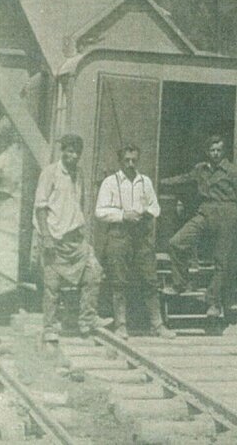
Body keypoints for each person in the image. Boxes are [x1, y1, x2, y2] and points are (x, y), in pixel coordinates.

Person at [34, 134, 111, 344]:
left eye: (77, 152)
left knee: (94, 274)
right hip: (54, 239)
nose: (73, 155)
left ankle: (87, 319)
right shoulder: (50, 173)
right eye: (69, 151)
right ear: (63, 151)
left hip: (76, 239)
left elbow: (80, 204)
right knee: (51, 287)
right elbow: (40, 207)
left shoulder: (79, 174)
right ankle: (49, 327)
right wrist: (46, 236)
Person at [164, 135, 237, 318]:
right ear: (207, 152)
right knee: (176, 242)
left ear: (223, 151)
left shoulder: (232, 171)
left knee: (221, 261)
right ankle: (179, 284)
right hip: (206, 212)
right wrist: (160, 181)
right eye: (212, 150)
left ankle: (214, 303)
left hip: (227, 214)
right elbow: (184, 178)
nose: (216, 153)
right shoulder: (201, 169)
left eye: (219, 150)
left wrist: (236, 222)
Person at [95, 144, 175, 339]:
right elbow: (100, 211)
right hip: (119, 234)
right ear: (120, 161)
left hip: (141, 235)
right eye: (127, 160)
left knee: (150, 279)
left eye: (134, 160)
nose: (131, 164)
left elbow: (155, 207)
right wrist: (123, 215)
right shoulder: (110, 182)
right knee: (119, 281)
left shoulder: (144, 181)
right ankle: (121, 325)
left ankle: (157, 325)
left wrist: (145, 213)